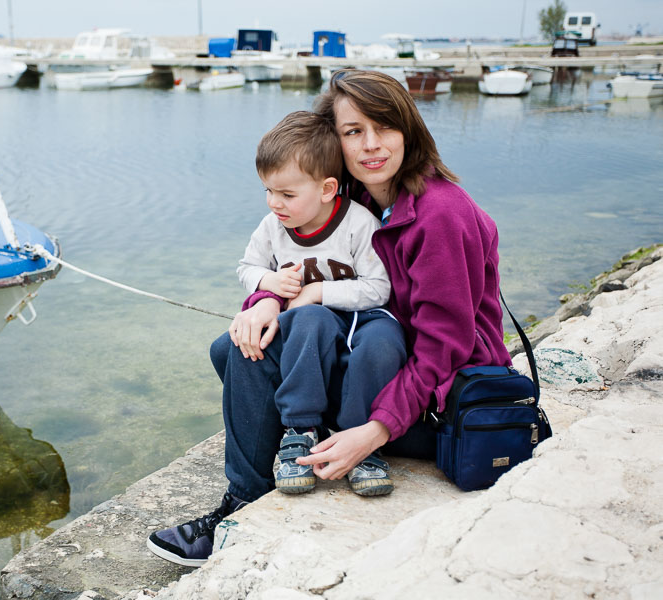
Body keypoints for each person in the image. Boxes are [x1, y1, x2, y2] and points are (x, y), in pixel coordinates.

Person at [146, 69, 512, 568]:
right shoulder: (357, 198)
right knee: (238, 348)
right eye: (353, 131)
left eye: (384, 127)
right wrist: (263, 303)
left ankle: (244, 511)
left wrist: (375, 431)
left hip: (437, 403)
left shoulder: (439, 214)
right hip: (377, 369)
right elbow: (296, 265)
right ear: (334, 143)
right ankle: (244, 501)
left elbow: (442, 348)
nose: (371, 145)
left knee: (256, 364)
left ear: (409, 128)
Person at [237, 110, 392, 495]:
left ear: (326, 190)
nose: (275, 203)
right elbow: (247, 267)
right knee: (308, 320)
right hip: (309, 324)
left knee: (384, 341)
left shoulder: (358, 224)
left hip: (361, 316)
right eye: (268, 190)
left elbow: (379, 288)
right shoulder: (272, 227)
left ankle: (360, 442)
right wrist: (268, 282)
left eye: (287, 194)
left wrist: (318, 292)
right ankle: (300, 430)